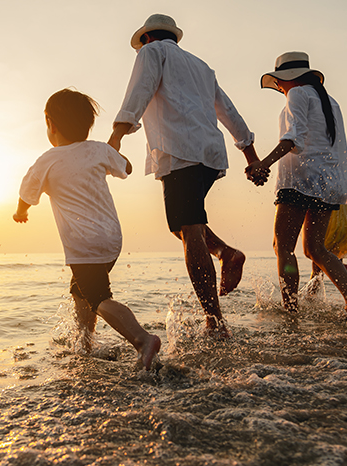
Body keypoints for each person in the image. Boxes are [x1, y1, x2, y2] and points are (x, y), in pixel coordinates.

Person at [108, 14, 266, 338]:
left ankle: (215, 321)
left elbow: (139, 91)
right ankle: (226, 253)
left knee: (189, 229)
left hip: (180, 151)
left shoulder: (151, 53)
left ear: (147, 38)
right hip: (208, 154)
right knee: (180, 224)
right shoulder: (202, 67)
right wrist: (250, 155)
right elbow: (228, 110)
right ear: (174, 36)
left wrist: (116, 136)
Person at [13, 88, 161, 370]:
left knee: (98, 297)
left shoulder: (47, 161)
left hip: (84, 244)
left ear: (50, 124)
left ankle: (142, 339)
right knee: (81, 291)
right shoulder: (98, 149)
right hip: (112, 240)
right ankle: (85, 345)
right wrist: (109, 155)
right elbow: (126, 168)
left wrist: (20, 213)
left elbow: (26, 194)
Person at [245, 51, 347, 317]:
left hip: (301, 181)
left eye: (279, 81)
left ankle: (290, 309)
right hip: (329, 184)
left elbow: (292, 140)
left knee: (283, 247)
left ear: (289, 78)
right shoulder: (330, 101)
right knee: (315, 249)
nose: (279, 86)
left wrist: (262, 164)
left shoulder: (298, 94)